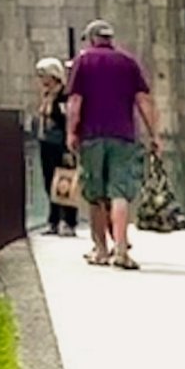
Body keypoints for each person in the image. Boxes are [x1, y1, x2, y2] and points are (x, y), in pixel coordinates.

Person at [63, 19, 157, 271]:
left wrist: (71, 132)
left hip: (92, 136)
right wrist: (154, 135)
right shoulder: (128, 62)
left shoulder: (84, 61)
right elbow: (144, 100)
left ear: (92, 38)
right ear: (110, 39)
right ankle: (122, 250)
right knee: (119, 193)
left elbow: (74, 102)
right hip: (124, 136)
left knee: (95, 195)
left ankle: (101, 251)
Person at [31, 57, 80, 236]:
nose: (42, 80)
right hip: (47, 142)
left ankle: (69, 221)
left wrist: (69, 147)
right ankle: (53, 220)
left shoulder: (64, 96)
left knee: (65, 181)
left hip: (61, 142)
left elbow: (66, 120)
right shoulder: (46, 95)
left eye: (44, 75)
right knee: (49, 181)